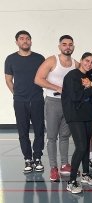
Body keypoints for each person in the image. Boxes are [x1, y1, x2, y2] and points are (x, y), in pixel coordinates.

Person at [34, 35, 78, 181]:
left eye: (70, 44)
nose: (67, 47)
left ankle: (64, 164)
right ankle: (53, 167)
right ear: (59, 46)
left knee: (65, 136)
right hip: (53, 102)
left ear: (73, 47)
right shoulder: (52, 60)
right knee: (52, 136)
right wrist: (57, 87)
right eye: (64, 44)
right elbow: (38, 79)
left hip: (69, 104)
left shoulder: (75, 64)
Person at [4, 30, 45, 173]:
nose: (25, 41)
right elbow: (8, 80)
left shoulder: (39, 58)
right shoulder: (10, 59)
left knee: (39, 130)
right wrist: (17, 94)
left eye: (27, 38)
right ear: (17, 42)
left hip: (37, 99)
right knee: (23, 131)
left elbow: (45, 77)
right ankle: (28, 159)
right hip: (20, 101)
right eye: (22, 39)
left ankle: (38, 157)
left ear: (31, 41)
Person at [62, 52, 92, 194]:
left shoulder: (90, 77)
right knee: (81, 147)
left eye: (91, 62)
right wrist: (89, 87)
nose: (89, 64)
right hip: (75, 115)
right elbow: (76, 97)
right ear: (81, 61)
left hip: (88, 115)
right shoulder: (72, 76)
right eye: (86, 61)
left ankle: (86, 174)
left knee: (86, 145)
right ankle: (71, 182)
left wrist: (91, 87)